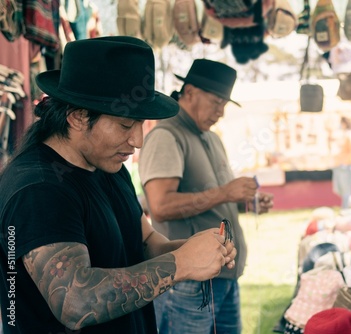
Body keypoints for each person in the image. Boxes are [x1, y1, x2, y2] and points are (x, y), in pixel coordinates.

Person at [0, 36, 236, 334]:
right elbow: (75, 302)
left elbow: (146, 243)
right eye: (126, 125)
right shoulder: (38, 188)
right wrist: (182, 263)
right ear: (78, 117)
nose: (137, 140)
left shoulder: (108, 166)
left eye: (140, 125)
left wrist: (194, 249)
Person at [138, 58, 274, 334]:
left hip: (222, 275)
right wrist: (225, 192)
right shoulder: (167, 135)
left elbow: (215, 198)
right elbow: (160, 206)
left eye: (224, 104)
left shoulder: (211, 137)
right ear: (189, 92)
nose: (220, 112)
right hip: (188, 280)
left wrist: (245, 203)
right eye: (216, 102)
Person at [331, 116, 351, 210]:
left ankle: (346, 210)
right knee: (341, 190)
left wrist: (344, 162)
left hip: (347, 166)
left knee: (346, 192)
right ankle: (348, 209)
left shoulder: (350, 135)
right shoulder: (347, 134)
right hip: (344, 165)